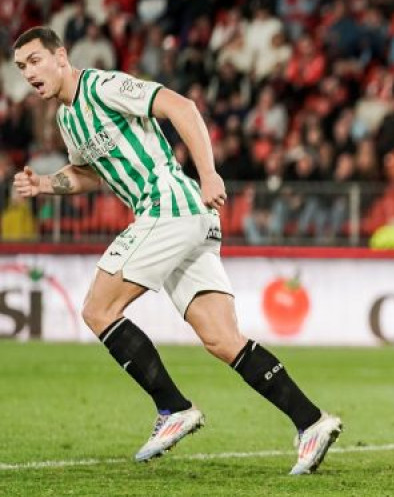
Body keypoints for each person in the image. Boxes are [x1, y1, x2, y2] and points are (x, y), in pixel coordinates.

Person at [10, 27, 341, 475]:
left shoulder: (103, 86)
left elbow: (180, 106)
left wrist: (209, 173)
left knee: (97, 309)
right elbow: (92, 172)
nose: (29, 73)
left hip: (167, 205)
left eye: (34, 60)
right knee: (222, 339)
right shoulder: (67, 120)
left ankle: (173, 408)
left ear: (61, 56)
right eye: (21, 67)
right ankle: (311, 421)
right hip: (183, 217)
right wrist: (47, 184)